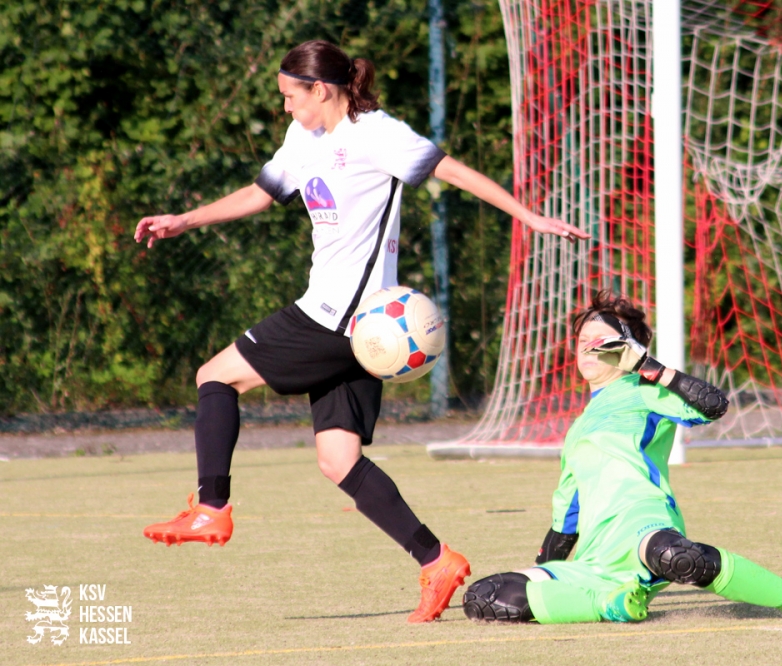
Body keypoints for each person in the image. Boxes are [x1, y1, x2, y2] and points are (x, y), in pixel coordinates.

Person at [133, 39, 588, 624]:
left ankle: (212, 506)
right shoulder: (303, 137)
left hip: (336, 316)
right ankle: (437, 561)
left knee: (214, 377)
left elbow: (452, 171)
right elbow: (261, 193)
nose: (285, 106)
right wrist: (184, 220)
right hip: (364, 330)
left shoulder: (377, 134)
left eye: (290, 96)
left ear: (320, 89)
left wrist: (528, 216)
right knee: (339, 459)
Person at [462, 292, 782, 624]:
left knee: (677, 557)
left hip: (643, 528)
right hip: (596, 560)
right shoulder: (578, 428)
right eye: (582, 339)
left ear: (627, 349)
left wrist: (647, 367)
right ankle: (611, 605)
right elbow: (565, 522)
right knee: (485, 596)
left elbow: (714, 405)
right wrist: (548, 571)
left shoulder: (645, 391)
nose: (587, 345)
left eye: (600, 339)